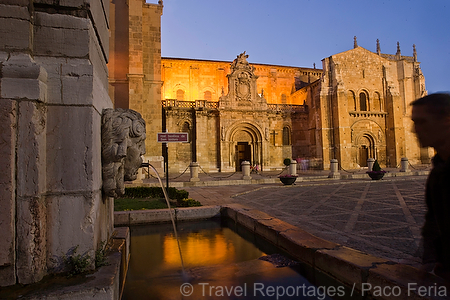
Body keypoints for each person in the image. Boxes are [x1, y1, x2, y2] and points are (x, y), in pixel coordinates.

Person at [411, 92, 450, 281]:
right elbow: (432, 222)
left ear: (446, 121)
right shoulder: (438, 172)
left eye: (421, 122)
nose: (413, 129)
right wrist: (427, 261)